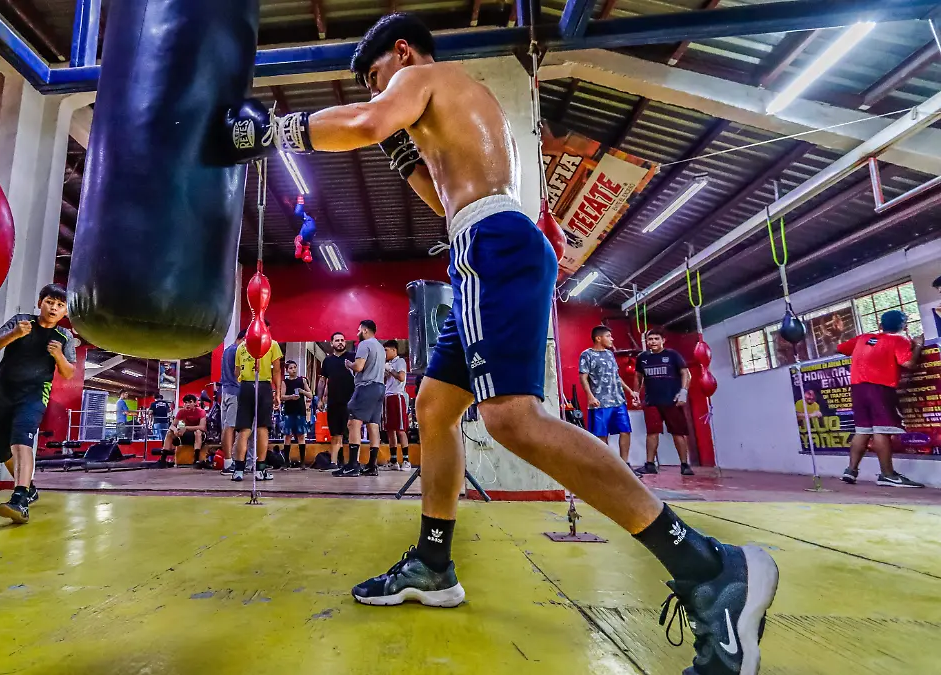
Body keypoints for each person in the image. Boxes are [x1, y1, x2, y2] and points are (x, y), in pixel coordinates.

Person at [225, 14, 779, 674]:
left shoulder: (424, 75)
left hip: (494, 247)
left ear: (402, 51)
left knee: (511, 417)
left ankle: (711, 566)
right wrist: (403, 154)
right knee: (435, 407)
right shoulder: (452, 102)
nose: (379, 92)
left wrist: (281, 130)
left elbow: (368, 121)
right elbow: (440, 195)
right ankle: (433, 563)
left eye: (376, 77)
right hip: (477, 246)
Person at [0, 284, 77, 524]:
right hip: (3, 390)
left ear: (65, 312)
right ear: (40, 303)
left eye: (60, 305)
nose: (54, 308)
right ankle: (29, 487)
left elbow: (68, 373)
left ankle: (20, 497)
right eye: (50, 302)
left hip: (34, 393)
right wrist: (13, 335)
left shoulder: (65, 337)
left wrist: (59, 356)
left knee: (22, 436)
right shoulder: (21, 321)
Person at [838, 309, 924, 488]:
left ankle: (851, 471)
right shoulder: (899, 340)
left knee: (862, 430)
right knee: (881, 430)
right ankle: (888, 474)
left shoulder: (863, 337)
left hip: (858, 389)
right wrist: (917, 346)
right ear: (904, 326)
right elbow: (908, 363)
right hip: (880, 389)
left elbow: (840, 348)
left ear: (880, 325)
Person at [635, 330, 694, 476]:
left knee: (678, 433)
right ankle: (650, 464)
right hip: (651, 401)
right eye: (650, 339)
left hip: (672, 400)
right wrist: (636, 393)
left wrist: (683, 392)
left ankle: (685, 465)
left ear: (663, 340)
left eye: (656, 339)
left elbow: (685, 373)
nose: (653, 341)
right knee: (652, 433)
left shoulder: (673, 355)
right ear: (647, 341)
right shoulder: (642, 357)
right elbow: (638, 376)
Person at [579, 326, 639, 466]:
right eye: (608, 336)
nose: (612, 339)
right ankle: (606, 465)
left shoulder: (610, 354)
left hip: (618, 400)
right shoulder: (587, 354)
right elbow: (583, 377)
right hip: (600, 402)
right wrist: (590, 396)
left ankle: (624, 465)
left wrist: (630, 391)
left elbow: (616, 377)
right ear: (598, 338)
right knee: (601, 435)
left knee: (625, 430)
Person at [232, 326, 284, 483]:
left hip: (246, 387)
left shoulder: (242, 346)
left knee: (244, 429)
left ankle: (238, 470)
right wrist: (278, 394)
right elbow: (276, 371)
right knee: (262, 428)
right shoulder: (272, 344)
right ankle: (260, 470)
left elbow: (236, 372)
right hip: (263, 387)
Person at [334, 320, 386, 477]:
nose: (357, 333)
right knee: (373, 426)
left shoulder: (364, 345)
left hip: (366, 387)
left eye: (358, 330)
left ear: (365, 330)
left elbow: (359, 367)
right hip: (379, 388)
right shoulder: (381, 348)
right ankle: (372, 465)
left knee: (353, 423)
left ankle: (353, 465)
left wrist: (349, 364)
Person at [317, 332, 355, 469]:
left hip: (350, 401)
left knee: (351, 433)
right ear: (331, 343)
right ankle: (333, 463)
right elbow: (322, 380)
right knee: (335, 434)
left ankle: (352, 463)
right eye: (337, 340)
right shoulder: (328, 361)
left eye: (342, 340)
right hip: (333, 402)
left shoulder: (352, 357)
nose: (340, 342)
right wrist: (320, 399)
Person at [383, 340, 411, 470]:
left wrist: (391, 370)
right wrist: (385, 372)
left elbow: (401, 377)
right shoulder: (386, 364)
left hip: (397, 396)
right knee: (390, 430)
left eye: (386, 350)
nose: (384, 353)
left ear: (394, 350)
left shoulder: (400, 361)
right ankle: (394, 461)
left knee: (400, 430)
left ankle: (406, 461)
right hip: (387, 396)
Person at [279, 360, 311, 469]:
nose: (293, 370)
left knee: (301, 436)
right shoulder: (285, 382)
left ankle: (302, 461)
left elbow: (311, 395)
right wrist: (291, 397)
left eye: (294, 367)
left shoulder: (302, 380)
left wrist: (302, 391)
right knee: (287, 436)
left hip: (300, 411)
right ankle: (286, 461)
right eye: (291, 368)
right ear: (287, 370)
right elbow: (282, 397)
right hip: (289, 411)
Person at [219, 334, 244, 474]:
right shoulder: (237, 351)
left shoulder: (227, 350)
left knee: (227, 427)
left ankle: (228, 461)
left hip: (226, 391)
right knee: (230, 427)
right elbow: (238, 372)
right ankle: (228, 463)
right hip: (234, 392)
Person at [165, 394, 207, 466]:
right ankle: (163, 459)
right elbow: (172, 425)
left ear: (195, 403)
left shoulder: (201, 411)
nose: (187, 404)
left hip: (199, 436)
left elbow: (202, 427)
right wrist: (175, 430)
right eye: (185, 402)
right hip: (185, 434)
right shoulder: (181, 412)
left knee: (198, 432)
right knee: (169, 433)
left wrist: (186, 428)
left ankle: (196, 460)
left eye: (190, 402)